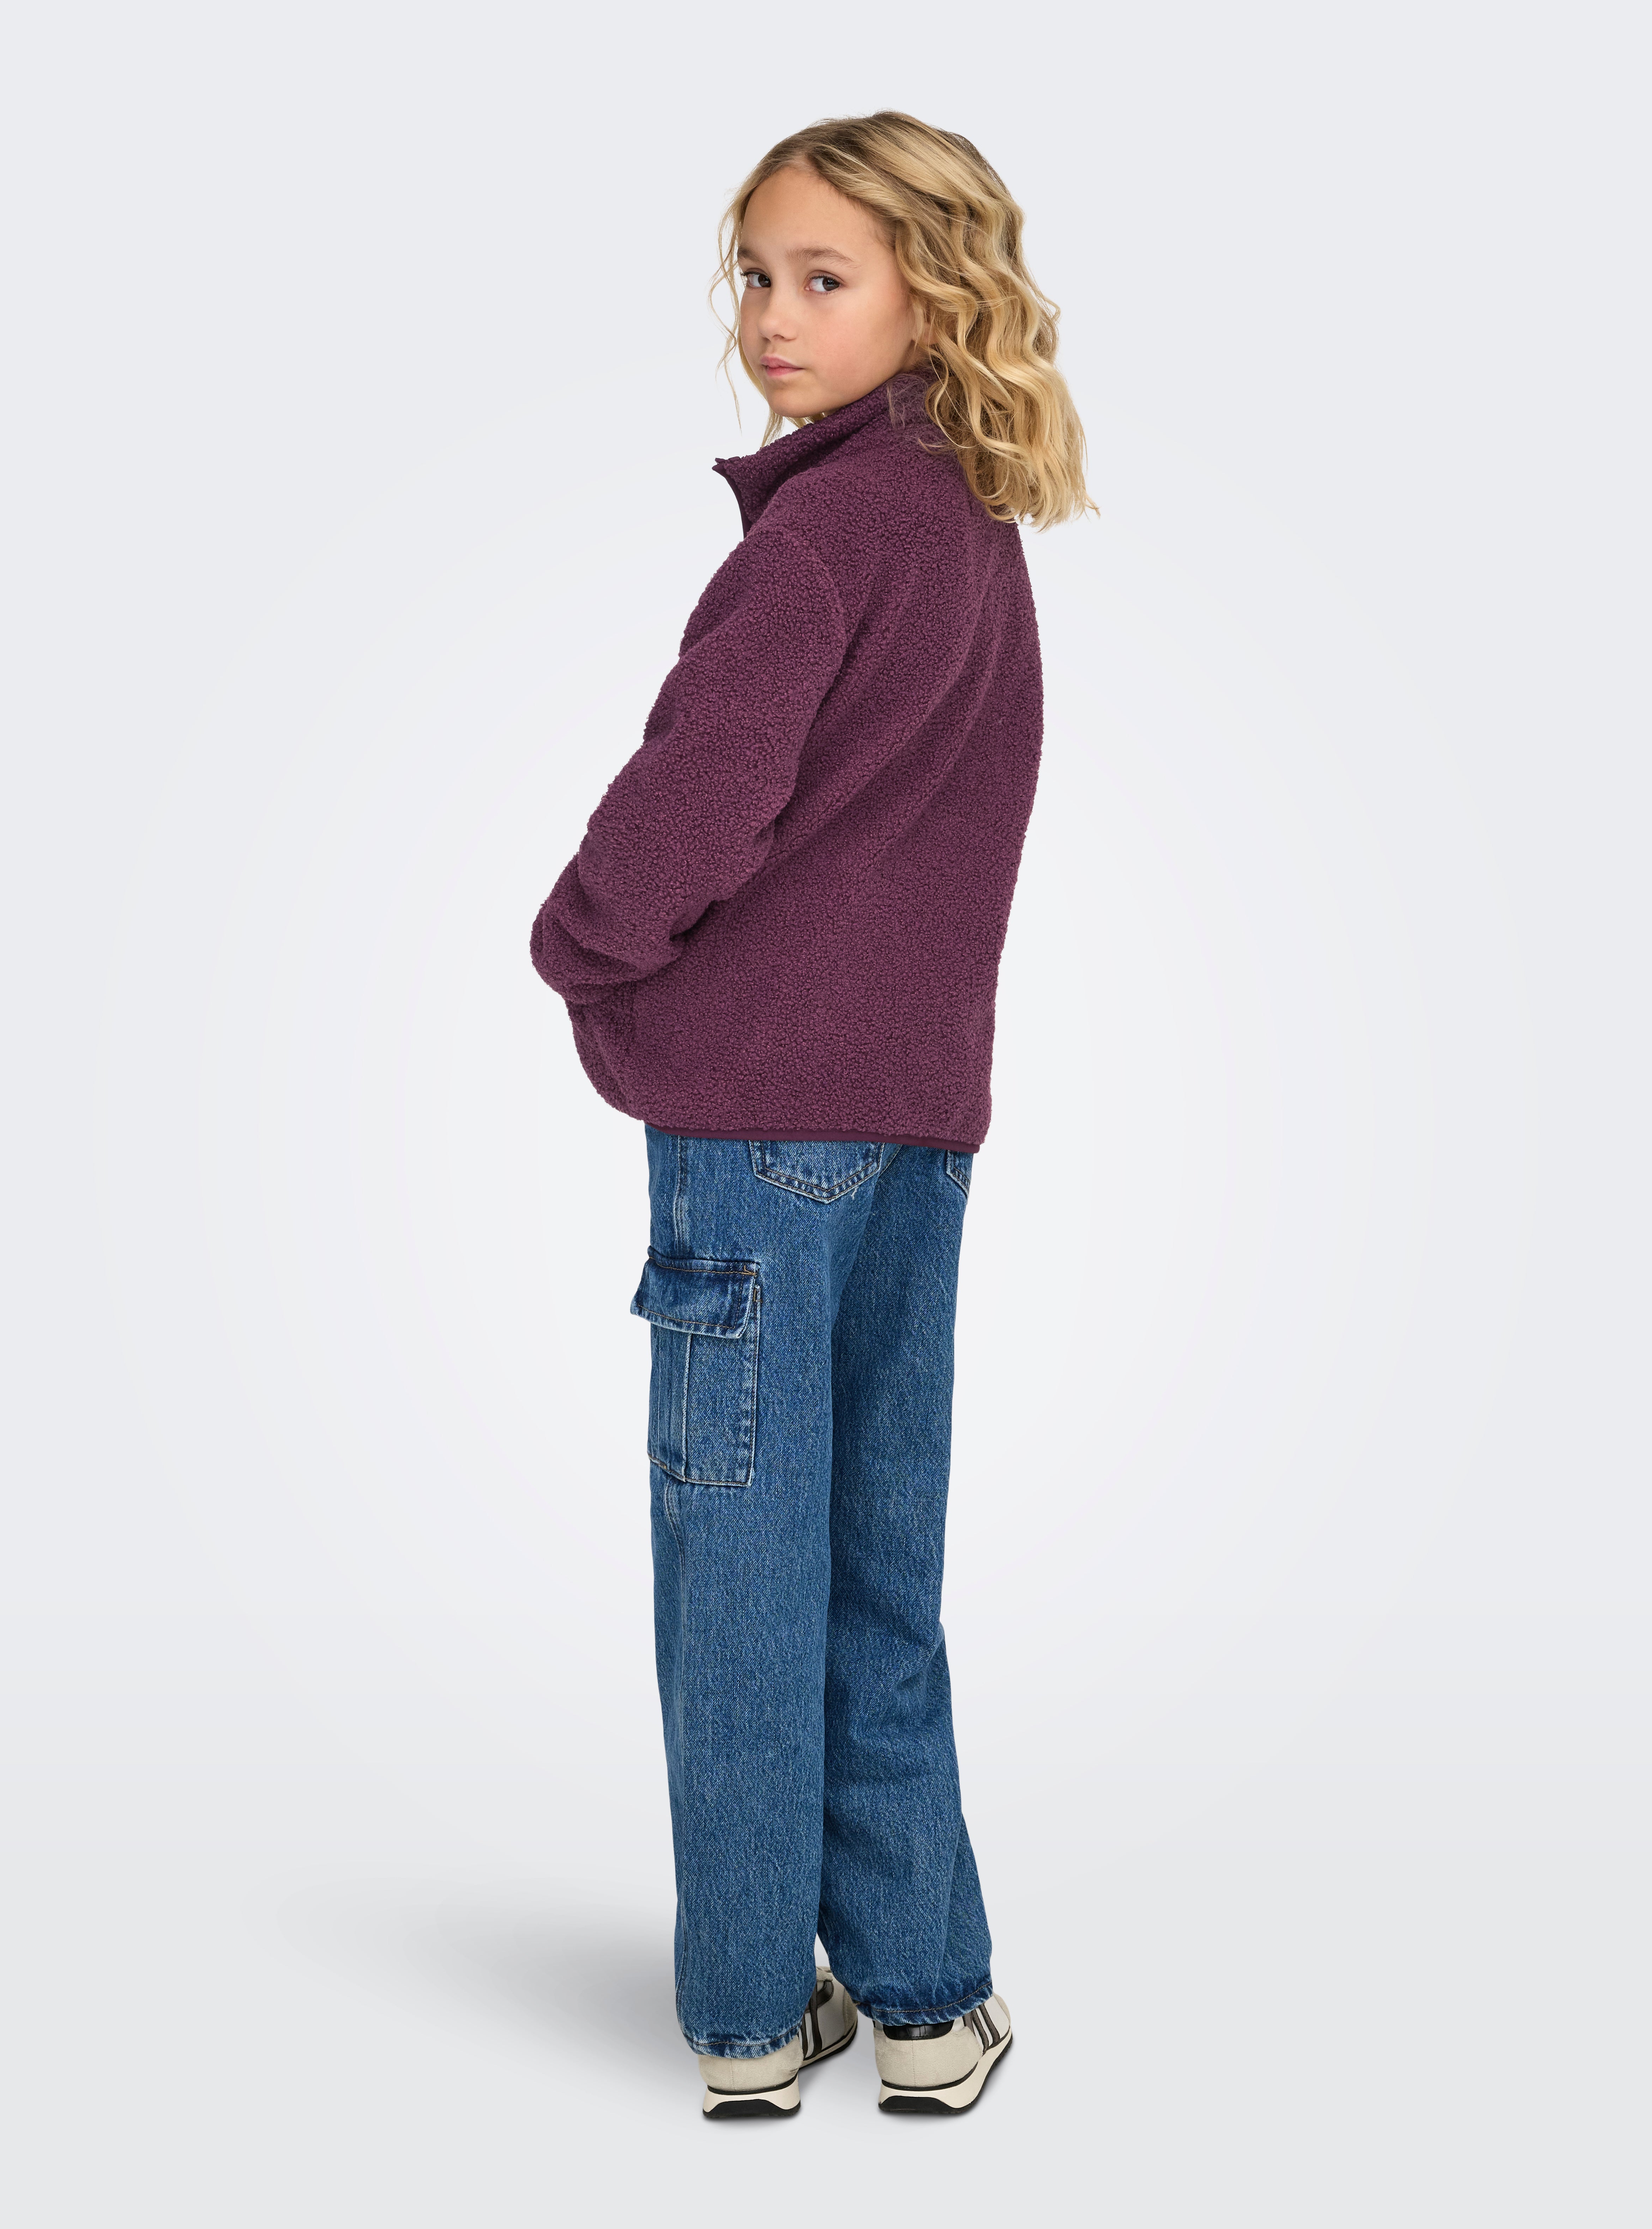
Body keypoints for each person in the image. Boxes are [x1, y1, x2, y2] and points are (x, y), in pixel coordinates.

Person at [530, 110, 1089, 2118]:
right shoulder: (965, 526)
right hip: (916, 1133)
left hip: (760, 1138)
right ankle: (927, 2002)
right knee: (870, 1568)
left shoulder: (826, 533)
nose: (773, 316)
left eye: (823, 278)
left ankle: (752, 2014)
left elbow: (695, 795)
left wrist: (579, 947)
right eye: (756, 277)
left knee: (741, 1584)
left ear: (935, 291)